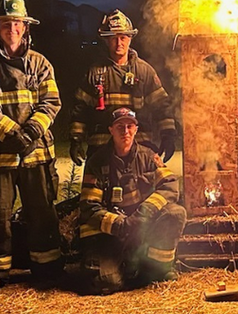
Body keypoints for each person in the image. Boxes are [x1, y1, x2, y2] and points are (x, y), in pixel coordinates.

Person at [0, 0, 63, 294]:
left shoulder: (41, 63)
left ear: (26, 28)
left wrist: (32, 132)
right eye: (6, 23)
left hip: (36, 153)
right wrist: (14, 134)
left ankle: (47, 267)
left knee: (42, 211)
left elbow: (51, 102)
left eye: (17, 23)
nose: (12, 28)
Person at [77, 107, 186, 294]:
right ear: (111, 129)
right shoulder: (97, 161)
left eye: (129, 126)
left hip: (141, 226)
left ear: (136, 129)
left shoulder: (149, 156)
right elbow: (89, 207)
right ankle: (123, 265)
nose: (125, 131)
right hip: (109, 234)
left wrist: (143, 214)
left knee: (176, 213)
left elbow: (170, 185)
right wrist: (121, 225)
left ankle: (155, 269)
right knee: (106, 284)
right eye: (120, 126)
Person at [69, 10, 176, 166]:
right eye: (114, 38)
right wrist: (76, 139)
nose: (119, 43)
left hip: (140, 151)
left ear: (130, 39)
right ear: (106, 41)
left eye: (123, 38)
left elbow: (162, 106)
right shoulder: (94, 73)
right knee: (96, 191)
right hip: (101, 151)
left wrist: (168, 135)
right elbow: (80, 110)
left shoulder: (144, 71)